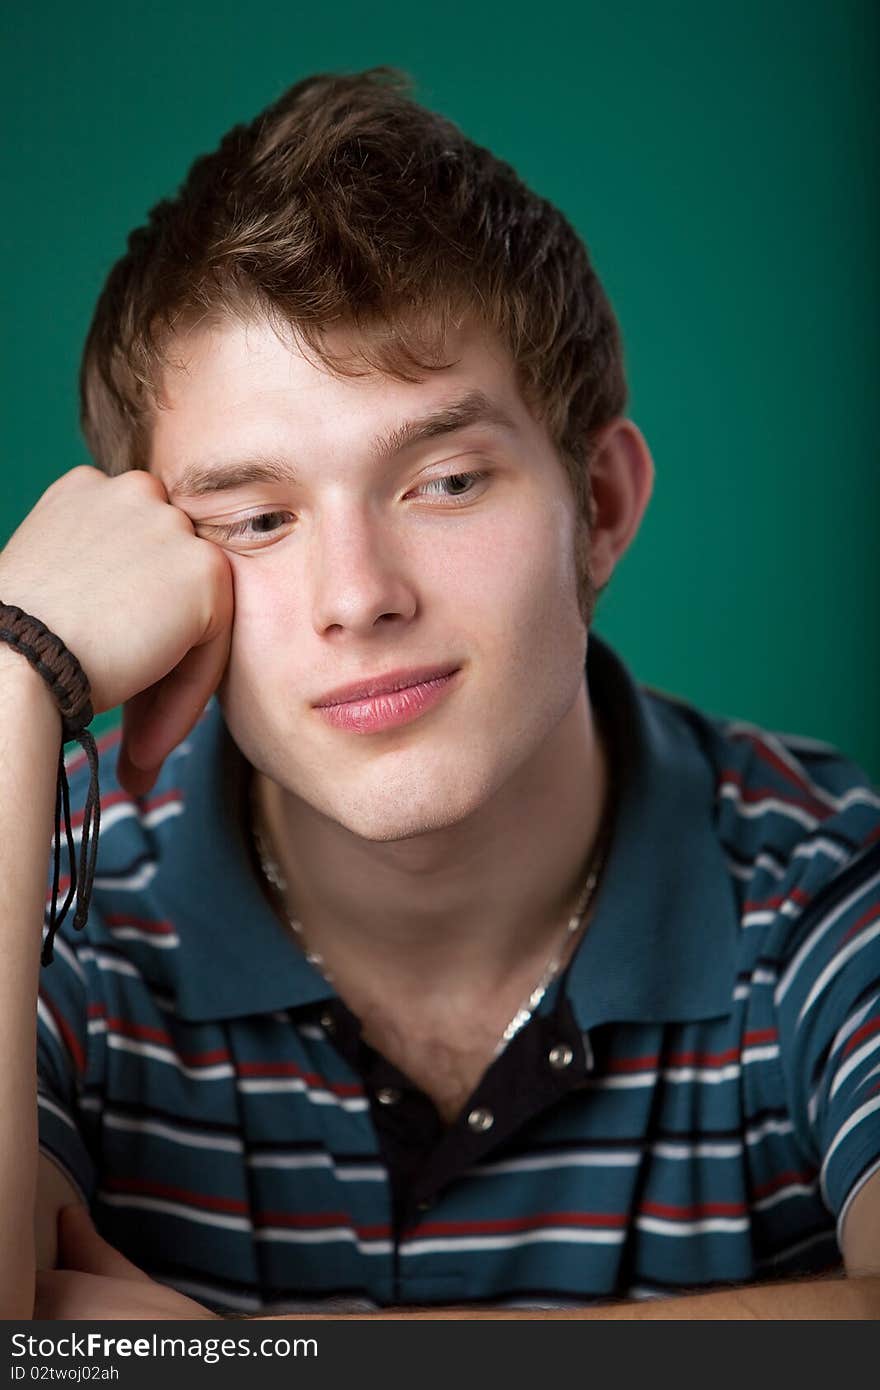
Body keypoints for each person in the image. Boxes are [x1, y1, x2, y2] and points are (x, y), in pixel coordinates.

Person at [1, 68, 878, 1322]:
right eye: (255, 518)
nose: (358, 596)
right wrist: (15, 666)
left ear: (603, 508)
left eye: (447, 481)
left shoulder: (828, 882)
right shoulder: (48, 911)